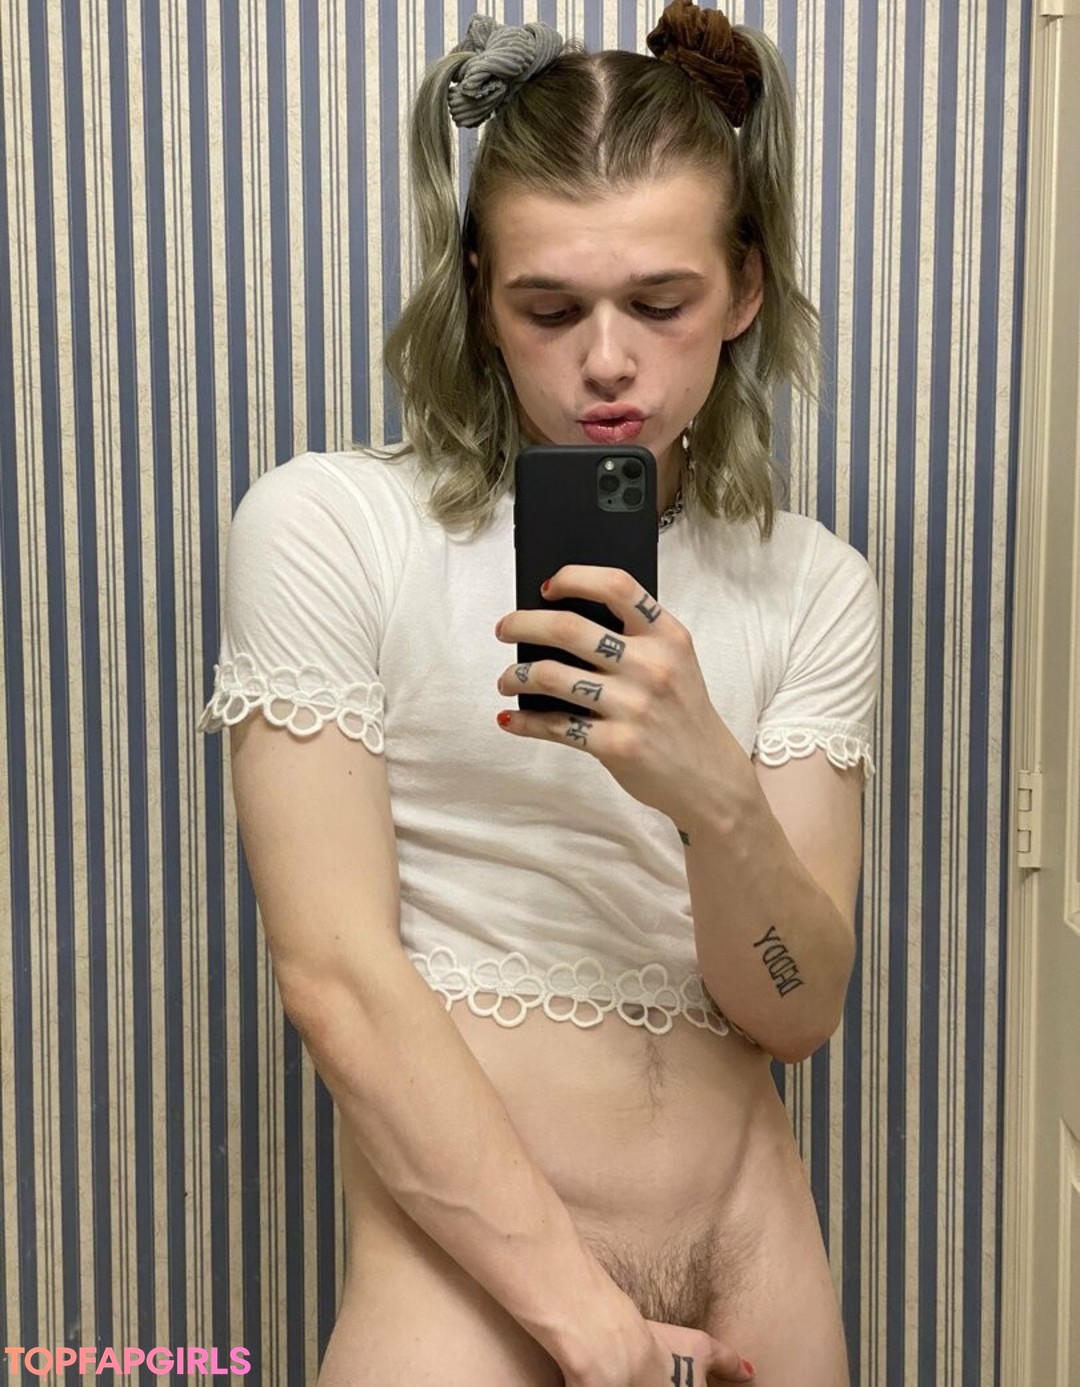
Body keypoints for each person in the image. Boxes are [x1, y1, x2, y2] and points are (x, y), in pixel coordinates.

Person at [197, 2, 881, 1383]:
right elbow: (335, 980)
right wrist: (588, 1320)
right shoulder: (335, 529)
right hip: (477, 1304)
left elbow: (797, 1010)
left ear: (744, 289)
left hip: (759, 1275)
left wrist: (711, 794)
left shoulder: (814, 584)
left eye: (662, 304)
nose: (608, 360)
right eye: (551, 308)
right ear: (478, 294)